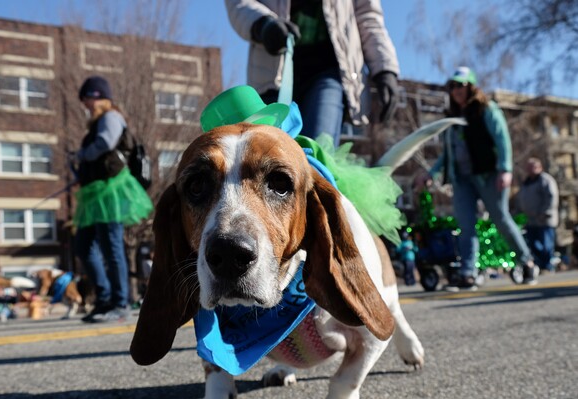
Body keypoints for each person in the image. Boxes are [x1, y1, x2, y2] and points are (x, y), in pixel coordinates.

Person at [415, 67, 538, 290]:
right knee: (466, 226)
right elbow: (447, 153)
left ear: (471, 86)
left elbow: (502, 139)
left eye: (460, 85)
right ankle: (468, 274)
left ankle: (527, 261)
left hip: (489, 176)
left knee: (501, 218)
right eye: (452, 86)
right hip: (462, 180)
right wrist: (431, 174)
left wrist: (505, 169)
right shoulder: (452, 119)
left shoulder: (487, 109)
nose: (456, 90)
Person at [225, 0, 400, 146]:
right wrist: (263, 23)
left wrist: (385, 69)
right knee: (266, 155)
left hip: (329, 71)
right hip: (273, 75)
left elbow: (367, 16)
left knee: (317, 149)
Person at [72, 76, 153, 323]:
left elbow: (106, 142)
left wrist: (82, 154)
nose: (85, 104)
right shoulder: (97, 121)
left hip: (111, 191)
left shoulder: (111, 117)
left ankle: (120, 302)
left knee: (112, 247)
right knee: (84, 246)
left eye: (86, 99)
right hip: (94, 192)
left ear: (97, 97)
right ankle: (104, 298)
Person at [515, 158, 559, 272]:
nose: (530, 169)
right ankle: (539, 265)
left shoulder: (545, 180)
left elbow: (552, 197)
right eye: (528, 167)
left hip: (544, 219)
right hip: (530, 220)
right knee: (533, 244)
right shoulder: (526, 182)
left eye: (533, 167)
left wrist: (545, 212)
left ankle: (547, 266)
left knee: (546, 244)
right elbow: (521, 199)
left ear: (540, 167)